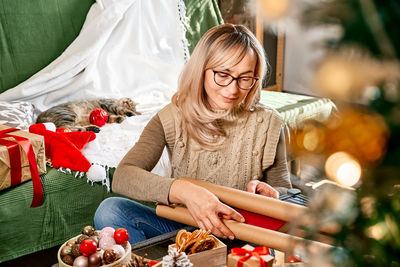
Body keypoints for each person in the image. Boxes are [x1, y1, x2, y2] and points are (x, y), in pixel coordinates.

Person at [94, 23, 292, 244]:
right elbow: (123, 176)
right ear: (201, 70)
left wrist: (272, 193)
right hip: (183, 231)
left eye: (245, 78)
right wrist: (185, 192)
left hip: (243, 234)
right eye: (223, 75)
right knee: (110, 210)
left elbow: (285, 192)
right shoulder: (170, 117)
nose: (233, 89)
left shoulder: (270, 123)